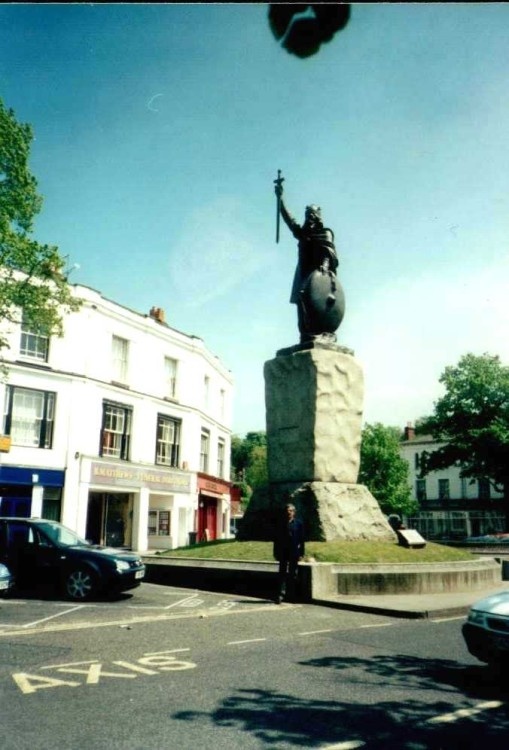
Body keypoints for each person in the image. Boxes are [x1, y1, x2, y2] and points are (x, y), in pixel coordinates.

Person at [275, 179, 339, 342]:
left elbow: (329, 253)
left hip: (319, 276)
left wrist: (324, 266)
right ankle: (306, 336)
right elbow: (289, 219)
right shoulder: (303, 234)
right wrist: (280, 199)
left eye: (311, 215)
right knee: (301, 303)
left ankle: (322, 333)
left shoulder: (325, 233)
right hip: (303, 273)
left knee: (316, 302)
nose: (309, 218)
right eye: (307, 215)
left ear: (317, 217)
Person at [273, 503, 305, 603]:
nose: (289, 513)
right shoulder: (280, 524)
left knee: (292, 574)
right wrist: (276, 552)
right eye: (287, 511)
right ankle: (280, 595)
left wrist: (301, 553)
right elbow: (276, 540)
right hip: (283, 552)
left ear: (294, 512)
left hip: (294, 552)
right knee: (282, 573)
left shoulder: (299, 523)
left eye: (291, 511)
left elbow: (302, 540)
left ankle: (291, 595)